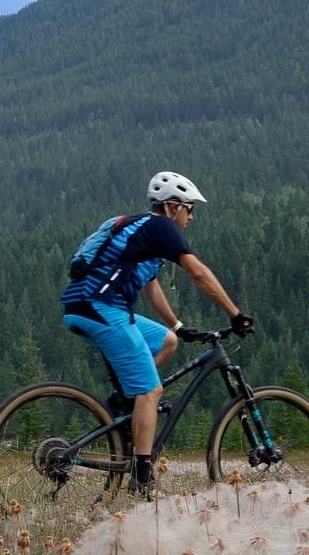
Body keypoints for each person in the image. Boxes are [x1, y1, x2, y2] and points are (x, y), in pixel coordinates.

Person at [62, 171, 253, 497]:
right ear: (174, 206)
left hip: (84, 307)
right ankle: (141, 475)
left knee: (167, 341)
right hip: (102, 309)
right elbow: (198, 272)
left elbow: (149, 284)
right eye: (190, 209)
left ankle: (127, 406)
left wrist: (176, 324)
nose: (192, 216)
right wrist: (236, 315)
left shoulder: (135, 228)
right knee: (151, 391)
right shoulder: (161, 227)